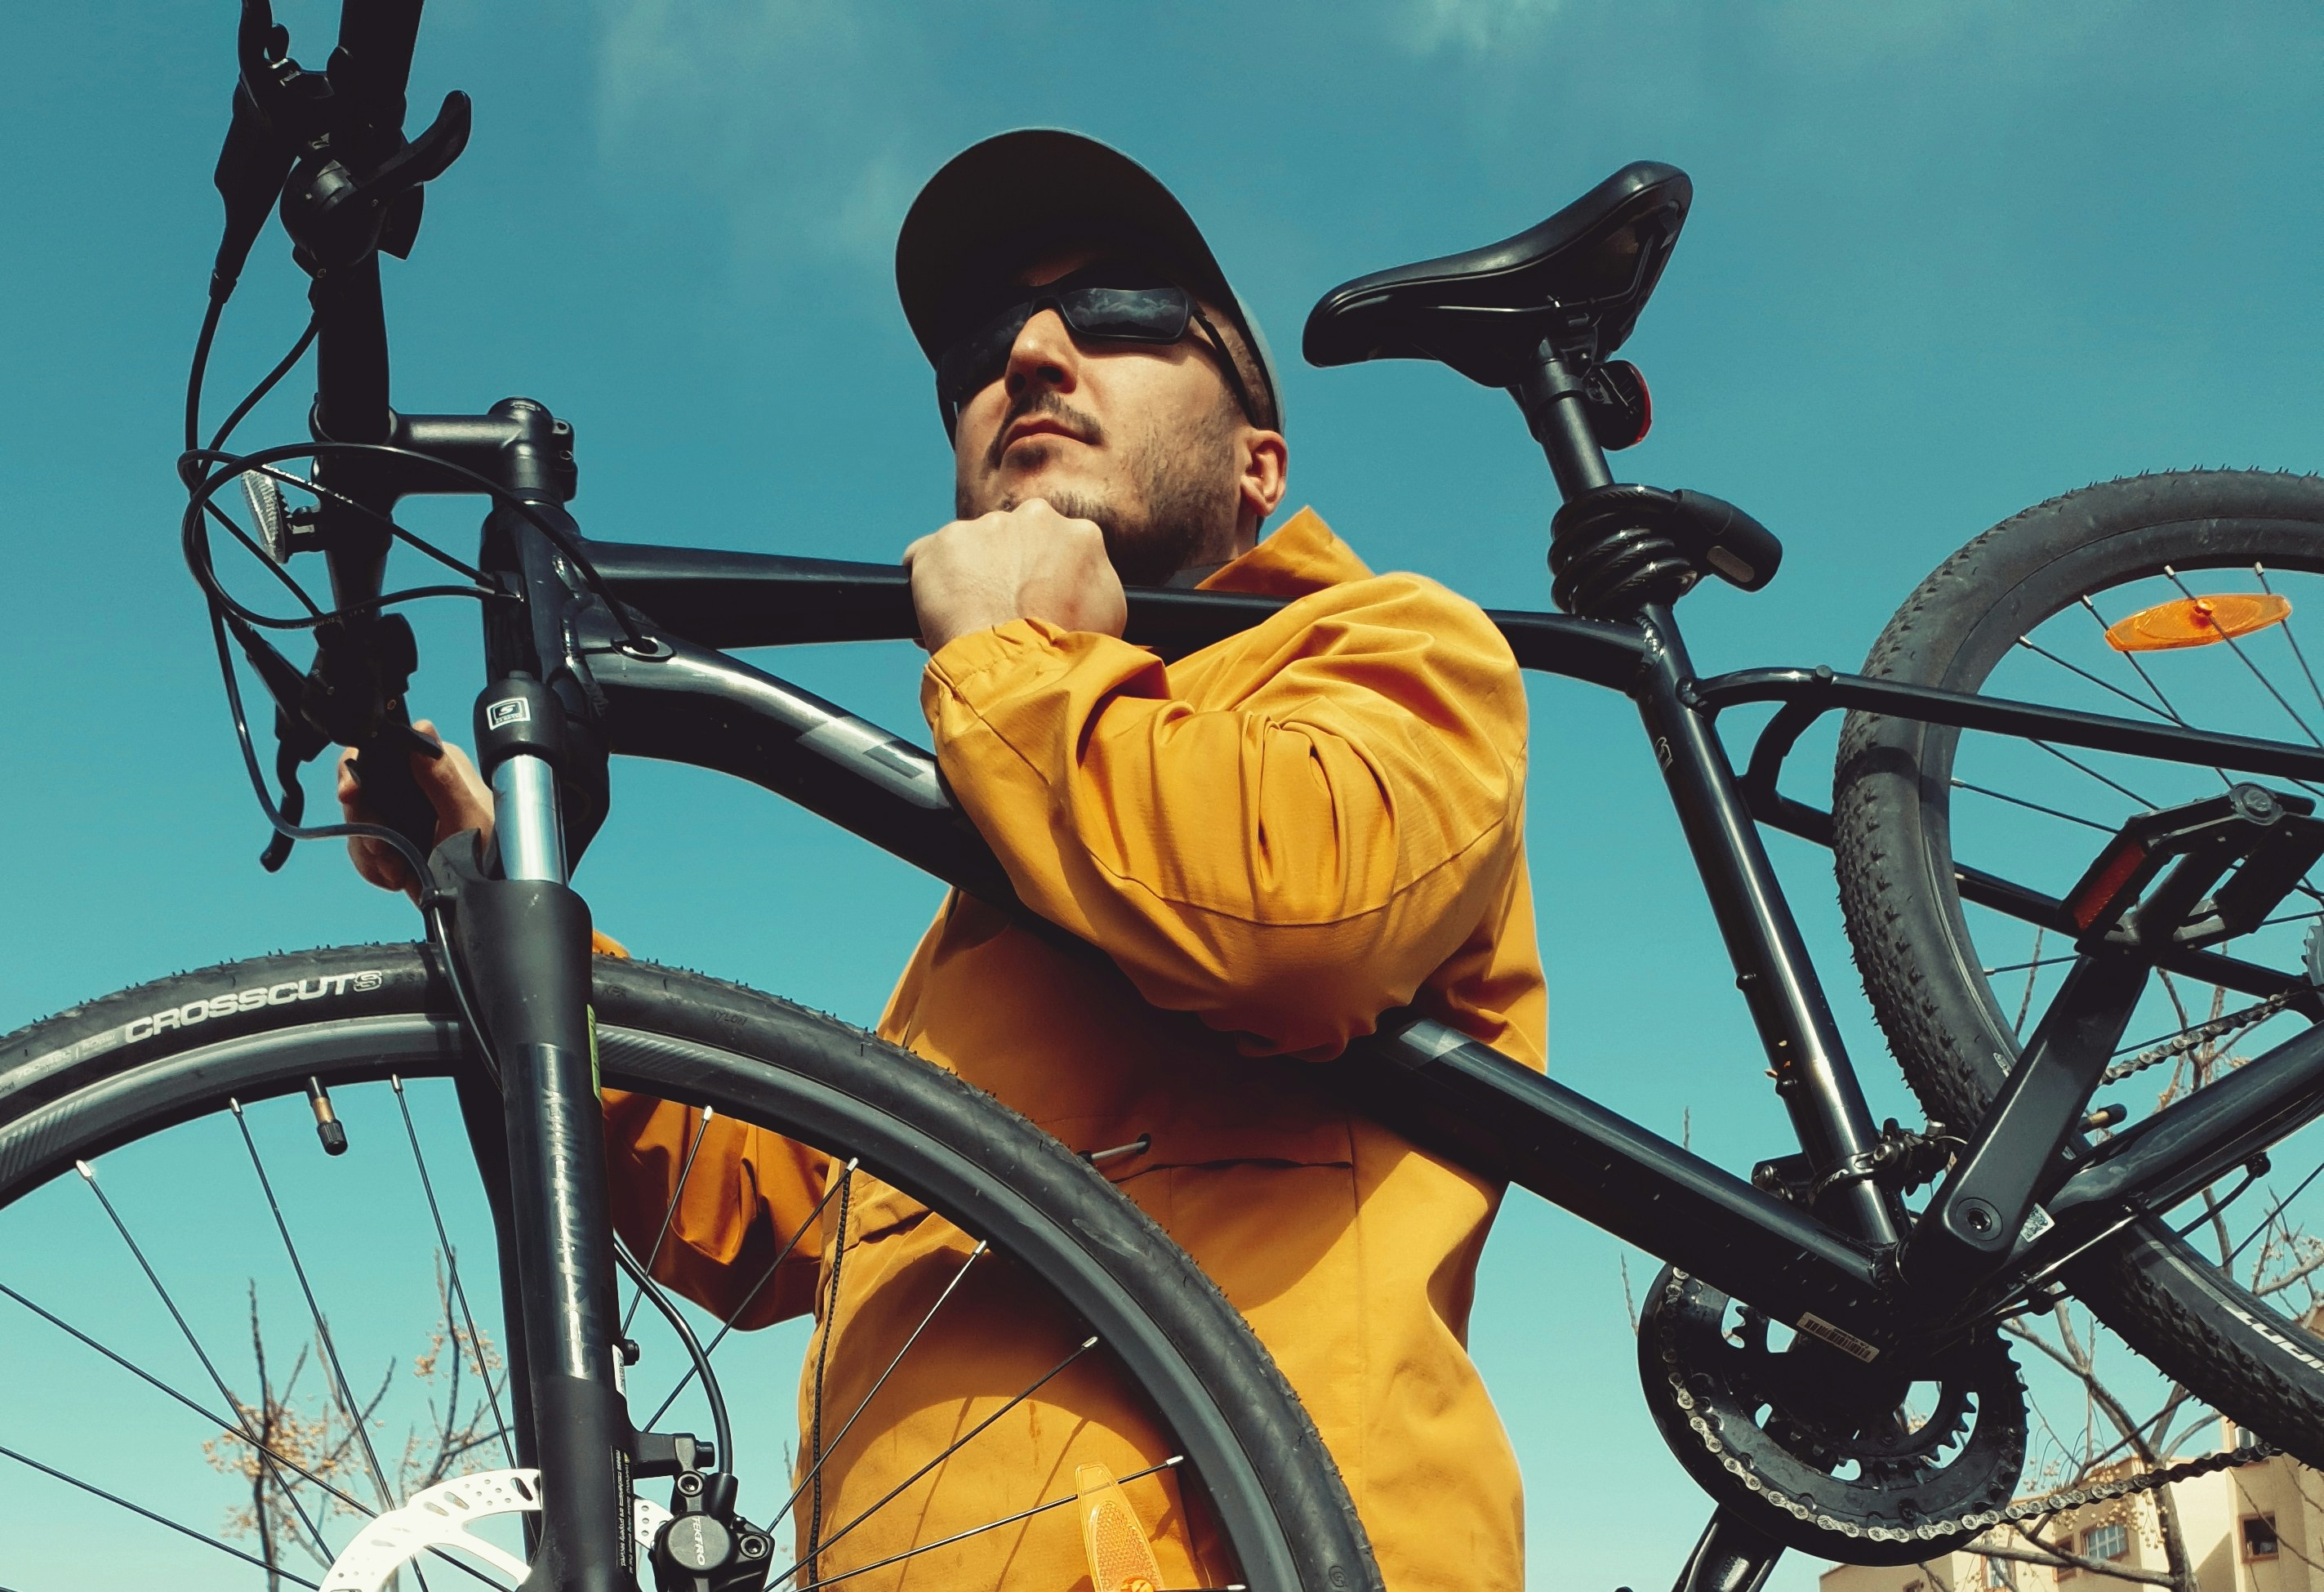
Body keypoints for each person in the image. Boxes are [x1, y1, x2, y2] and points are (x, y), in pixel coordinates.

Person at [341, 131, 1544, 1592]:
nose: (1031, 353)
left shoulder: (1382, 647)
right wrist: (482, 896)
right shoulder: (1009, 875)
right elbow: (773, 1205)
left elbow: (1298, 913)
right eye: (981, 346)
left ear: (1256, 465)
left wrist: (1013, 654)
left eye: (1118, 314)